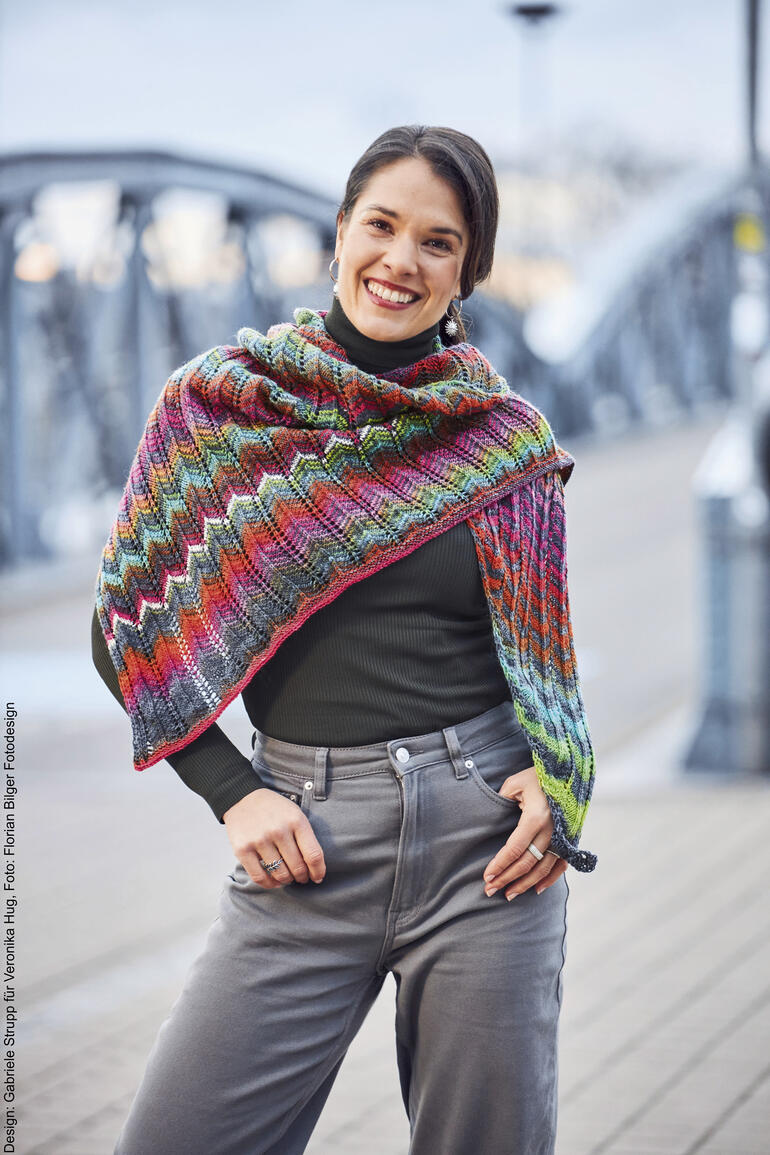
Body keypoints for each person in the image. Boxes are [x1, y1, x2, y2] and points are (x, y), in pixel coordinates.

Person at [92, 123, 597, 1155]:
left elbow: (543, 658)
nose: (400, 260)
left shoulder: (504, 440)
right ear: (339, 231)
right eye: (381, 225)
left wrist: (560, 779)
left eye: (438, 242)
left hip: (484, 850)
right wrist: (233, 793)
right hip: (306, 845)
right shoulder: (220, 408)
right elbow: (126, 630)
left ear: (466, 272)